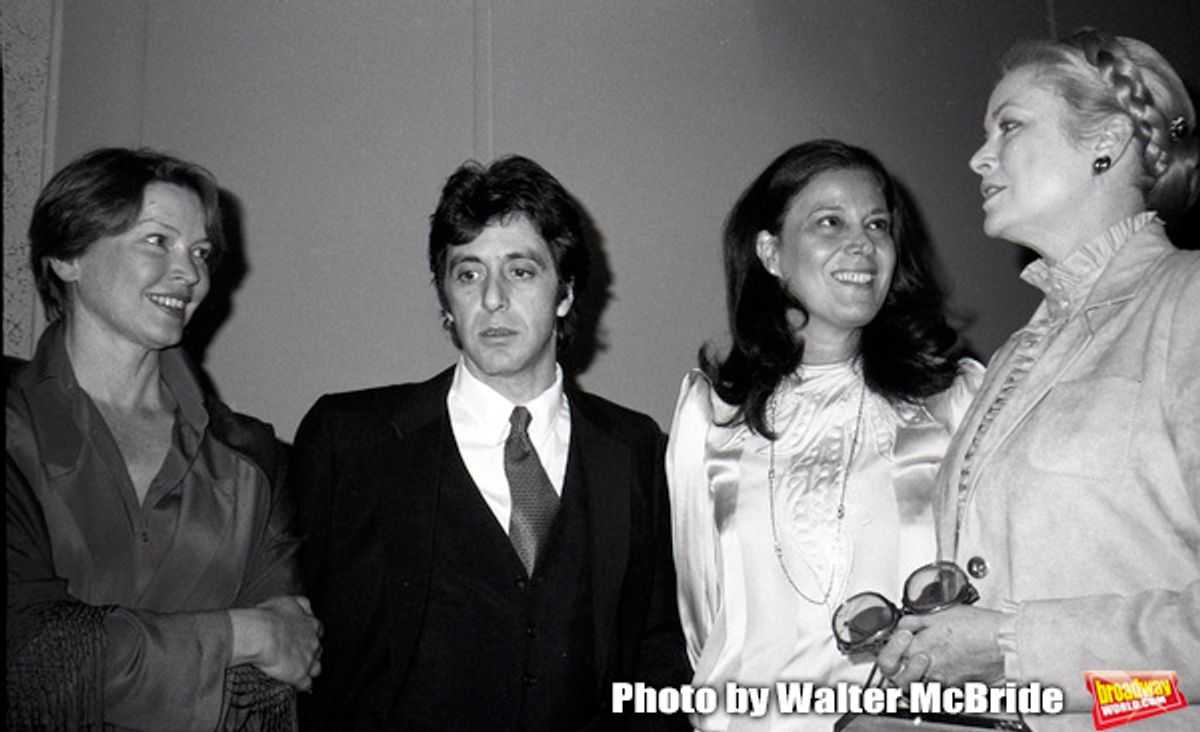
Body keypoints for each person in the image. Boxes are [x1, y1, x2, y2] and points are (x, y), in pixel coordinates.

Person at [292, 154, 691, 730]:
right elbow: (306, 649)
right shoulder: (348, 439)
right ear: (446, 304)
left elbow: (657, 656)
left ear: (566, 293)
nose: (493, 299)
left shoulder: (635, 450)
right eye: (468, 273)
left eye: (521, 271)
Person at [875, 29, 1200, 731]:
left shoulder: (1190, 302)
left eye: (1009, 126)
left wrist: (1010, 647)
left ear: (1104, 142)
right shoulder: (1012, 357)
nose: (977, 156)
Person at [667, 139, 982, 730]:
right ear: (770, 253)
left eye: (877, 224)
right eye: (829, 223)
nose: (861, 244)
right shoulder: (709, 414)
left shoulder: (953, 399)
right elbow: (703, 620)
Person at [6, 148, 322, 731]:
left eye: (200, 252)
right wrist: (244, 633)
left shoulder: (252, 455)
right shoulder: (13, 426)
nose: (191, 273)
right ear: (67, 256)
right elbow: (28, 660)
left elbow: (276, 684)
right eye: (158, 241)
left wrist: (103, 652)